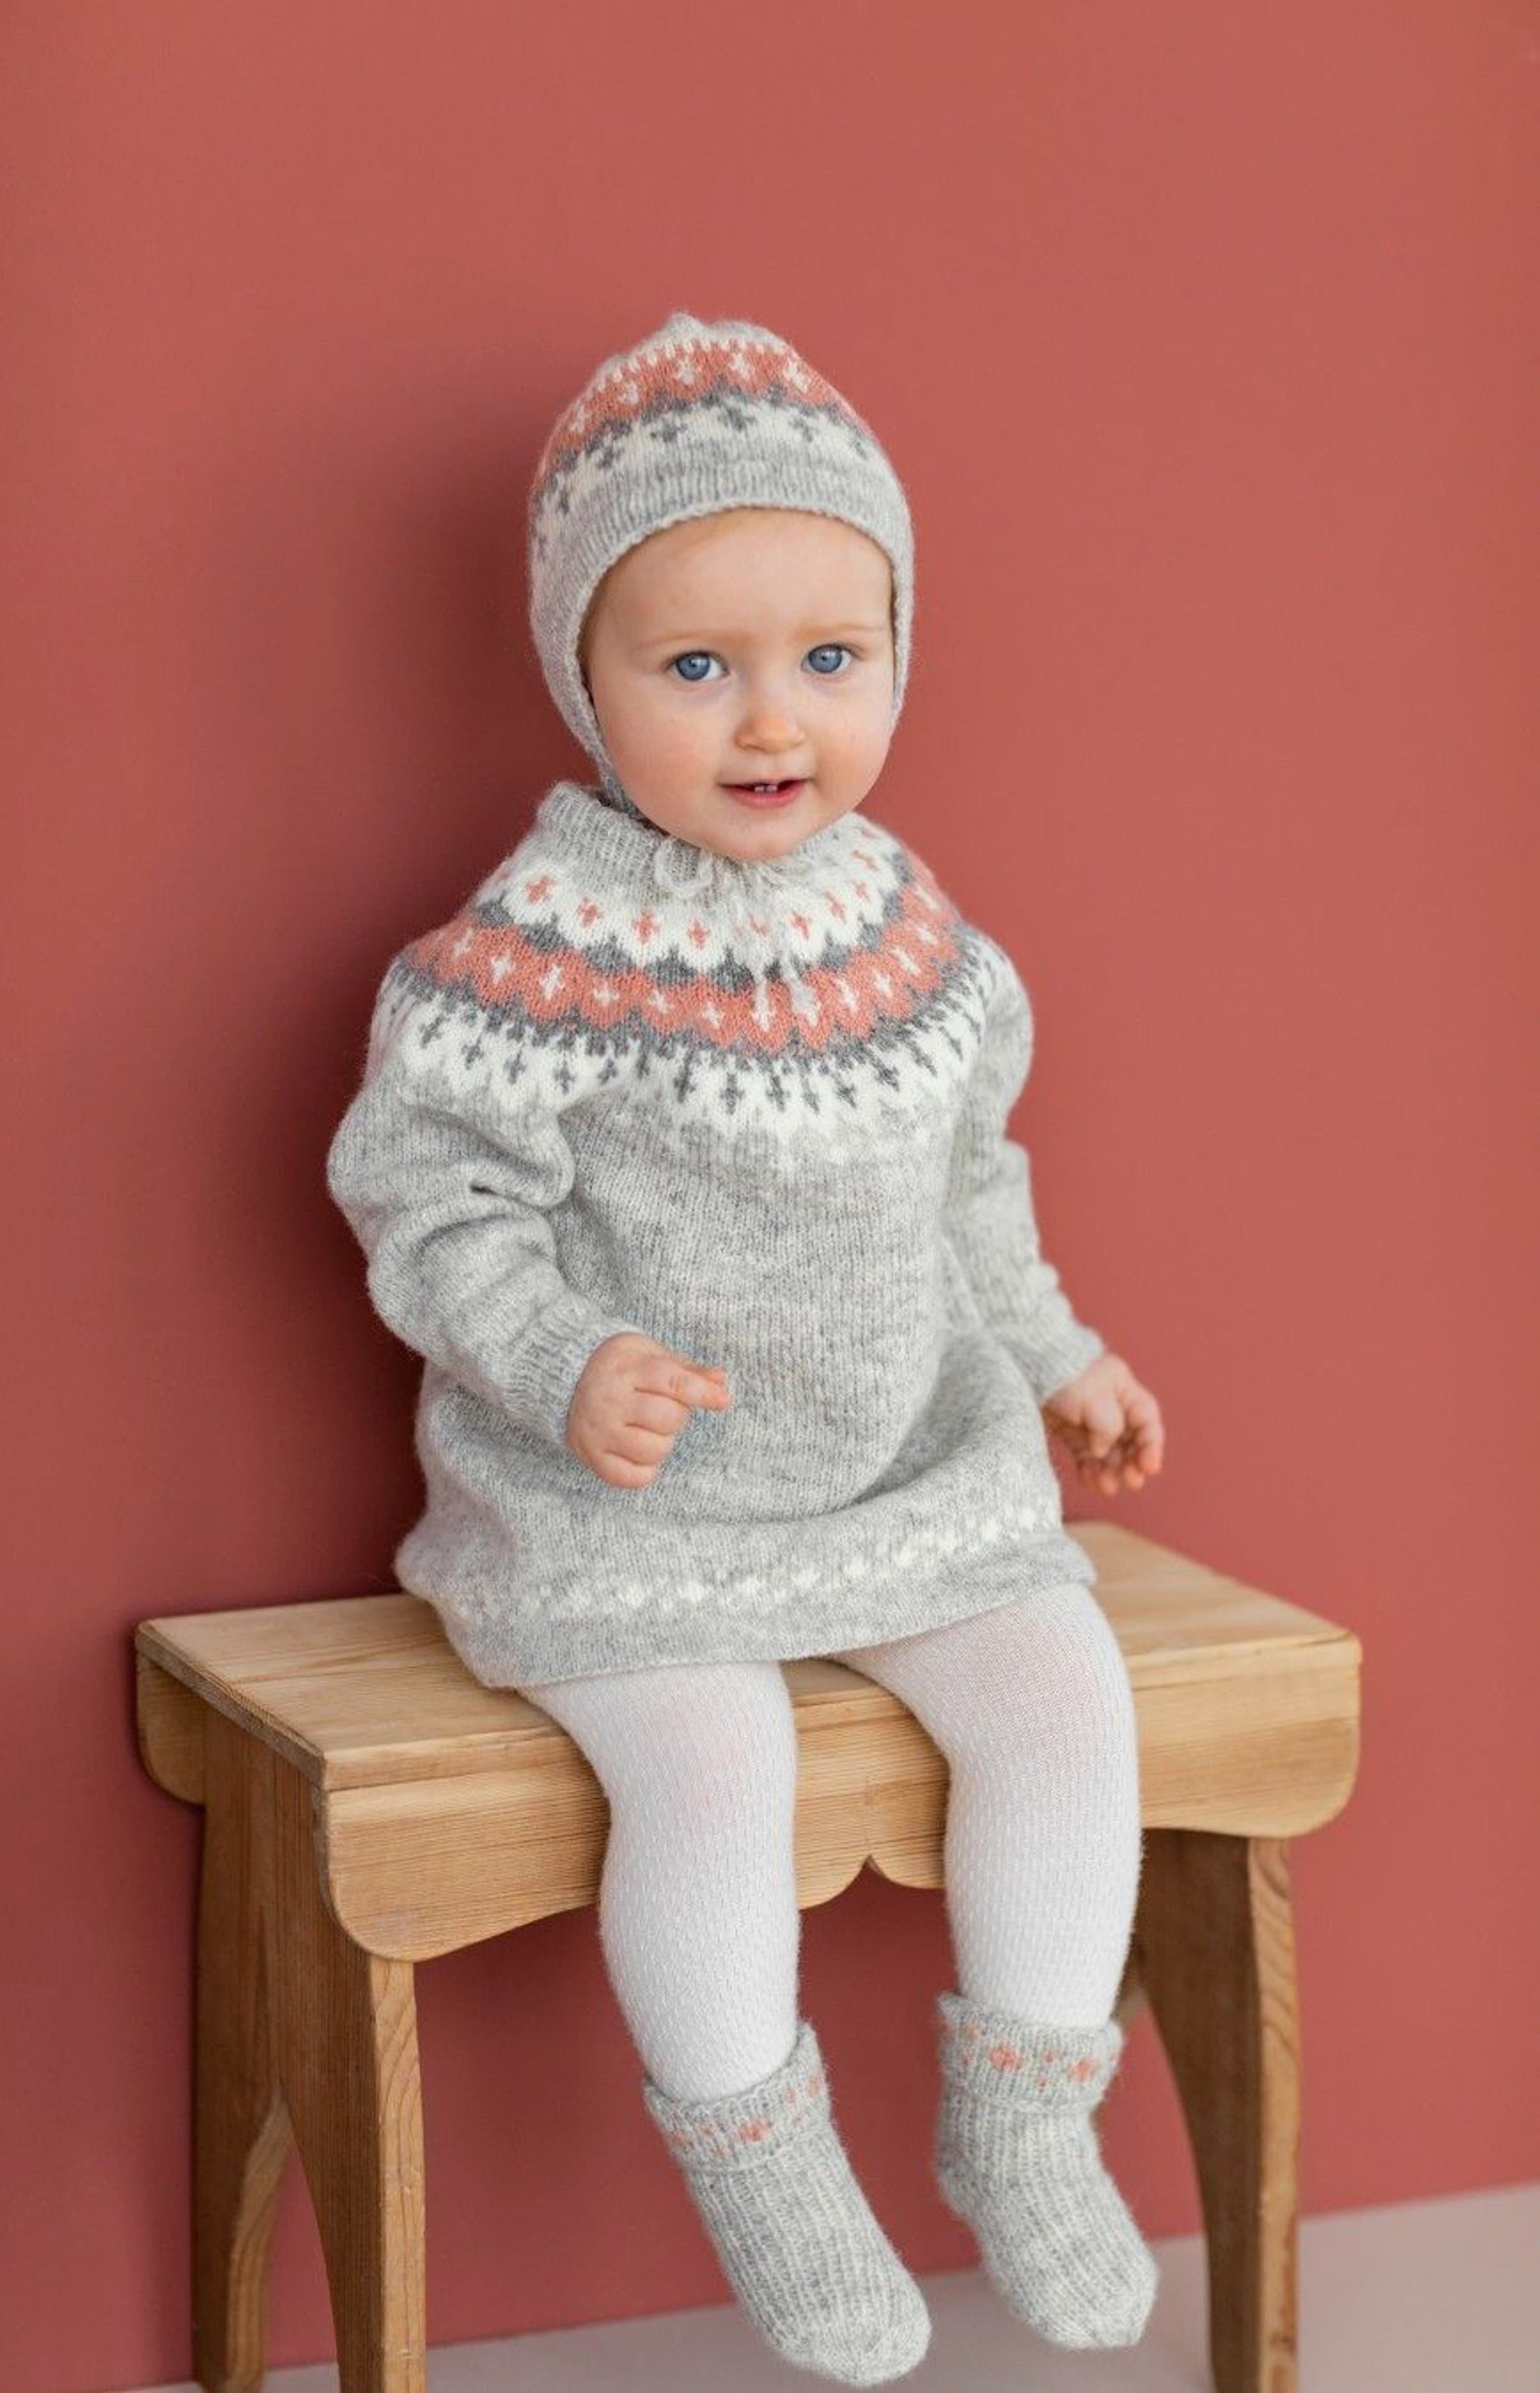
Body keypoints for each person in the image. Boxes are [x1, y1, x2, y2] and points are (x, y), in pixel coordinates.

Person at [326, 309, 1166, 2385]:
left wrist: (1055, 1351)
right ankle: (764, 2159)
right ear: (586, 675)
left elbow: (971, 1178)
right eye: (694, 666)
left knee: (1068, 1708)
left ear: (897, 655)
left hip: (896, 1463)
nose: (773, 715)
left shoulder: (911, 926)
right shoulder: (536, 948)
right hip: (627, 1504)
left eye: (830, 656)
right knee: (714, 1773)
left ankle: (1025, 2116)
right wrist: (561, 1358)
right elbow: (432, 1197)